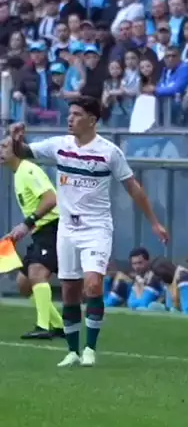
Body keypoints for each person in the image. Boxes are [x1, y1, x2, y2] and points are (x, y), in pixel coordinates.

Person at [8, 96, 169, 368]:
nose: (70, 118)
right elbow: (23, 152)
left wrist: (154, 222)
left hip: (96, 227)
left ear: (92, 120)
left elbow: (133, 187)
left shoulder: (109, 152)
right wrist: (15, 139)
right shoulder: (60, 145)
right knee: (69, 290)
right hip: (67, 229)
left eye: (76, 114)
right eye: (69, 113)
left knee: (92, 284)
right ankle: (72, 351)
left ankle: (90, 349)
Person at [0, 132, 64, 340]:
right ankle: (59, 325)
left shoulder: (28, 170)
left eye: (4, 147)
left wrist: (27, 224)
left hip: (53, 228)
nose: (0, 151)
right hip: (40, 232)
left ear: (17, 150)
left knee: (37, 272)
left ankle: (43, 327)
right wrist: (18, 231)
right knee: (24, 283)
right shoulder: (19, 173)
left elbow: (51, 199)